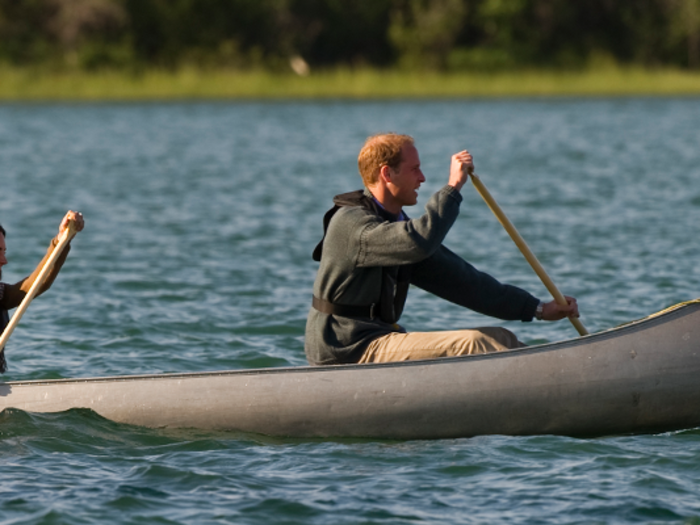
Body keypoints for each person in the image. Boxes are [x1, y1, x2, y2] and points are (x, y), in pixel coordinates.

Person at [305, 133, 578, 365]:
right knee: (477, 344)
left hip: (376, 339)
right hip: (344, 349)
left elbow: (465, 283)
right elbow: (419, 240)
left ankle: (560, 380)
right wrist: (453, 187)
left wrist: (538, 309)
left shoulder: (397, 230)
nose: (422, 178)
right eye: (415, 169)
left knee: (501, 338)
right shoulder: (354, 225)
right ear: (387, 173)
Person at [0, 211, 85, 373]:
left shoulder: (1, 295)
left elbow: (35, 284)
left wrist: (63, 239)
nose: (4, 260)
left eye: (4, 252)